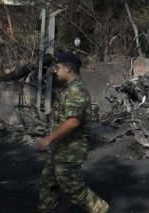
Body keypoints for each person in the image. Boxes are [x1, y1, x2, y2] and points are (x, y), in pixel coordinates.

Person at [36, 52, 109, 213]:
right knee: (48, 184)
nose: (55, 71)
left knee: (74, 190)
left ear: (68, 68)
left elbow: (73, 122)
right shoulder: (69, 89)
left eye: (57, 67)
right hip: (59, 149)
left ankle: (101, 210)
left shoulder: (77, 91)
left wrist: (48, 139)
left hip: (70, 151)